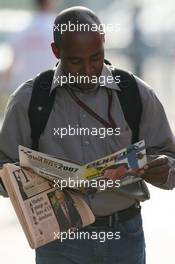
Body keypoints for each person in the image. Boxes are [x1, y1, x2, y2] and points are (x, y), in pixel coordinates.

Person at [0, 6, 175, 264]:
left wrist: (163, 169)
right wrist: (22, 181)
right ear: (56, 52)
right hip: (58, 241)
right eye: (76, 61)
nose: (88, 70)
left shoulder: (136, 94)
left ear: (104, 41)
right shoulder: (29, 100)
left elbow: (169, 161)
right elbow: (3, 168)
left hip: (124, 236)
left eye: (96, 57)